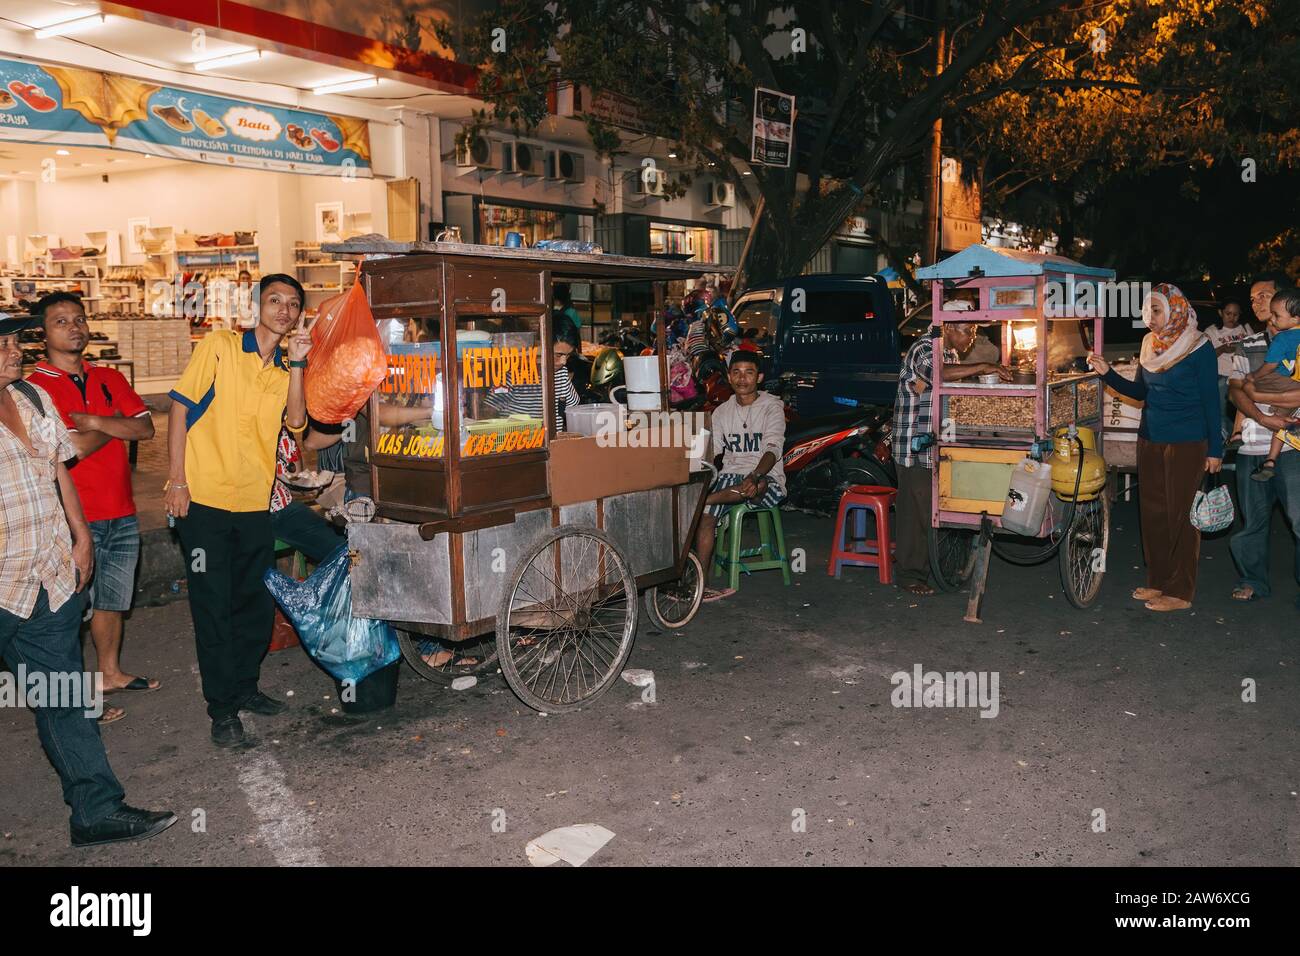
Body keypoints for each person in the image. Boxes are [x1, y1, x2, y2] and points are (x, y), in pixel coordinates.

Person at [0, 312, 175, 847]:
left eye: (11, 339)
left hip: (47, 577)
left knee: (64, 698)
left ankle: (96, 811)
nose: (13, 348)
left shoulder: (29, 398)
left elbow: (60, 464)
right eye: (1, 343)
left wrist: (79, 537)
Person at [165, 274, 313, 748]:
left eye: (293, 303)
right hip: (204, 499)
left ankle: (246, 688)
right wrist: (177, 481)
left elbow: (294, 421)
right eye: (275, 300)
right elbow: (178, 412)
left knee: (253, 602)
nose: (284, 310)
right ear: (257, 305)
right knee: (215, 607)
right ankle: (222, 708)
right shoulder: (220, 346)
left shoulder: (284, 365)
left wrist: (299, 364)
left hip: (253, 502)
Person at [27, 292, 158, 728]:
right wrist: (112, 426)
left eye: (79, 319)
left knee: (112, 601)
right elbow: (72, 450)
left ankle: (110, 674)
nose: (74, 327)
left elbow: (146, 427)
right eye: (61, 321)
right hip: (70, 520)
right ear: (43, 333)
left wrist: (97, 421)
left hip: (120, 509)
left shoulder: (107, 376)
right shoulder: (33, 387)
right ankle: (72, 703)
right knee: (65, 614)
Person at [1089, 282, 1222, 612]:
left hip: (1188, 441)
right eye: (1146, 310)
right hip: (1150, 438)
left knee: (1182, 516)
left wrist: (1215, 449)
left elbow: (1211, 400)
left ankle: (1181, 591)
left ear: (1175, 309)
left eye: (1156, 309)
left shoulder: (1198, 346)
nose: (1149, 316)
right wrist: (1107, 374)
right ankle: (1158, 581)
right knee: (1153, 515)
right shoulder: (1150, 345)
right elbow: (1139, 393)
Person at [892, 322, 1011, 596]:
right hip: (914, 444)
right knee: (916, 512)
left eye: (973, 331)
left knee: (935, 508)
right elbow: (940, 376)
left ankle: (930, 567)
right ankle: (909, 575)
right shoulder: (923, 349)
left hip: (938, 443)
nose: (970, 337)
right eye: (966, 331)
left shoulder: (952, 355)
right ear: (947, 328)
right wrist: (982, 366)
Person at [694, 349, 787, 602]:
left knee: (752, 486)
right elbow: (713, 454)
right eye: (736, 372)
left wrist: (756, 474)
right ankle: (701, 585)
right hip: (731, 476)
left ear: (759, 377)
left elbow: (773, 449)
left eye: (749, 373)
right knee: (704, 518)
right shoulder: (722, 412)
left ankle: (708, 500)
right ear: (728, 376)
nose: (742, 379)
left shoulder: (772, 408)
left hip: (767, 478)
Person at [1228, 347, 1300, 604]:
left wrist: (1255, 393)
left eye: (1262, 301)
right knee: (1254, 520)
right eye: (1254, 301)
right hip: (1252, 445)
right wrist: (1259, 414)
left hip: (1295, 446)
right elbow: (1235, 391)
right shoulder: (1249, 344)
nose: (1256, 303)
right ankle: (1252, 580)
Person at [1240, 288, 1300, 481]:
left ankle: (1270, 459)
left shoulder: (1281, 338)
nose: (1272, 319)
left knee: (1246, 385)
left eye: (1277, 315)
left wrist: (1254, 377)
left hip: (1283, 382)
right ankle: (1271, 461)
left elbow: (1270, 366)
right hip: (1295, 386)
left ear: (1295, 318)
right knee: (1284, 422)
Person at [269, 426, 343, 563]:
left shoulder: (283, 431)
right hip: (262, 511)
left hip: (281, 506)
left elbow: (294, 477)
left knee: (342, 547)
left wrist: (307, 487)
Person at [485, 324, 581, 430]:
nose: (563, 362)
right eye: (558, 355)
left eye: (567, 355)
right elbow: (489, 410)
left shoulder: (561, 373)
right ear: (540, 347)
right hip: (518, 443)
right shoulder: (514, 373)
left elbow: (573, 409)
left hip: (551, 443)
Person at [1205, 298, 1249, 438]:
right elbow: (1205, 356)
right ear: (1220, 313)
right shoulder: (1212, 331)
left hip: (1243, 377)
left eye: (1235, 314)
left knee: (1241, 410)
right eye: (1228, 313)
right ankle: (1224, 439)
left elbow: (1254, 348)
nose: (1232, 317)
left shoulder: (1245, 328)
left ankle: (1239, 436)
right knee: (1222, 411)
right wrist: (1223, 348)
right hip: (1222, 375)